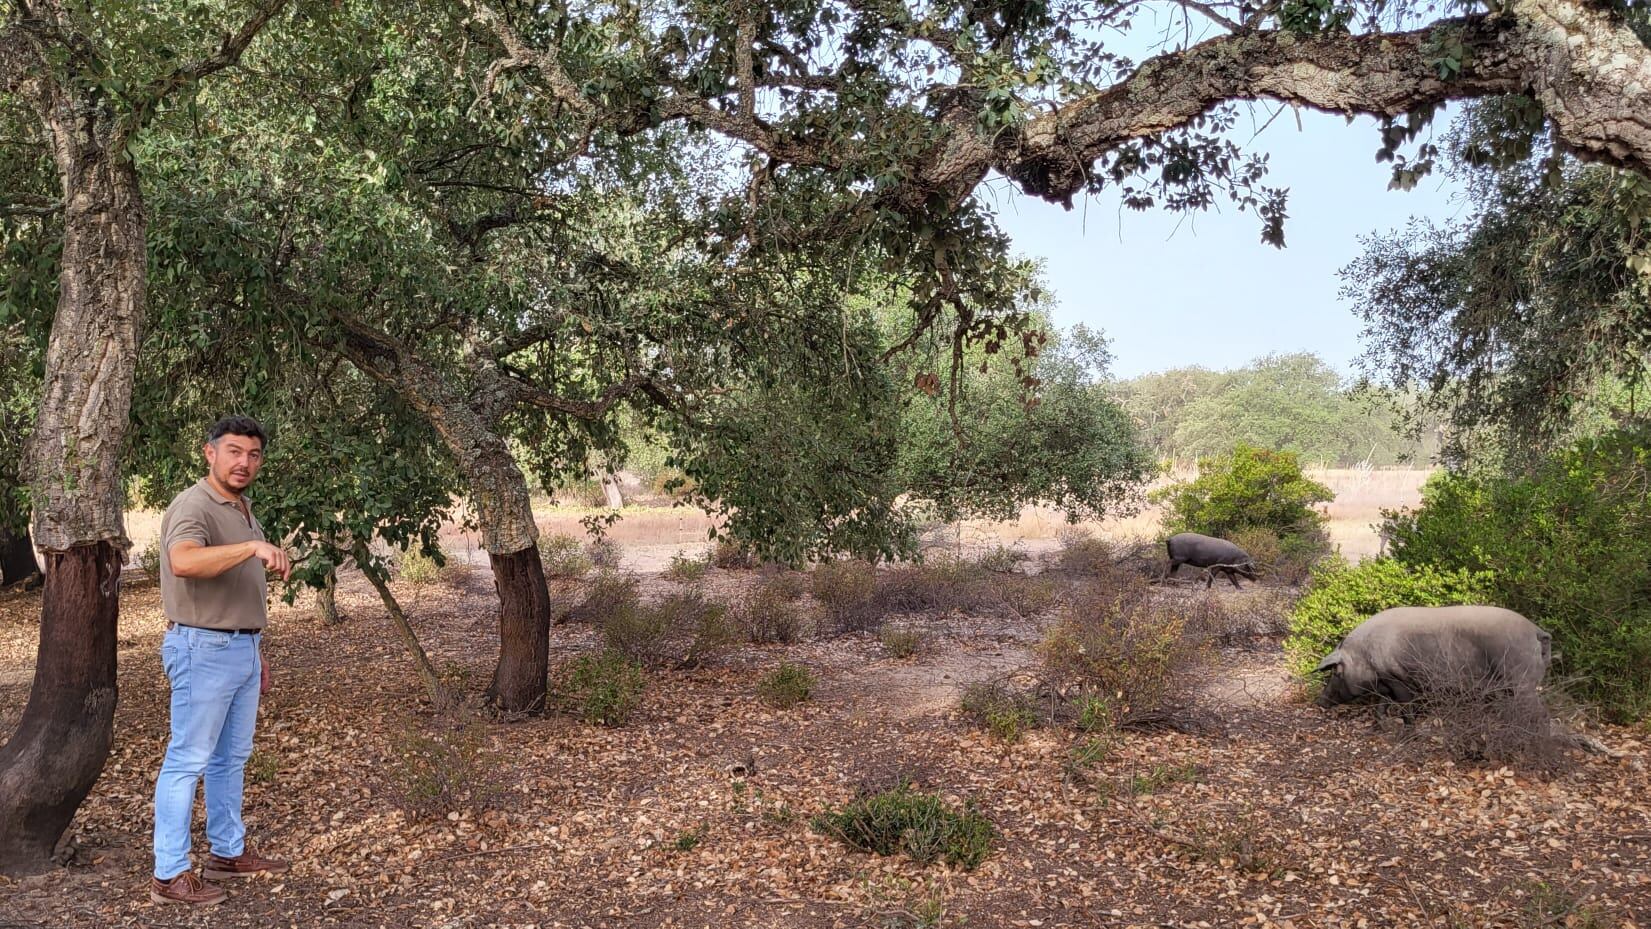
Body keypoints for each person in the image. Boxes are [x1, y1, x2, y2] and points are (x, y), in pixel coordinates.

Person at [149, 416, 293, 906]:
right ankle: (169, 875)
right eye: (233, 451)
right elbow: (183, 561)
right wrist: (253, 546)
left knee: (230, 758)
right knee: (187, 759)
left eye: (253, 454)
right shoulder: (194, 504)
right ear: (209, 453)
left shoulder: (242, 507)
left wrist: (255, 650)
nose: (244, 462)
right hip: (202, 648)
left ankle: (228, 853)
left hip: (240, 649)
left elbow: (239, 586)